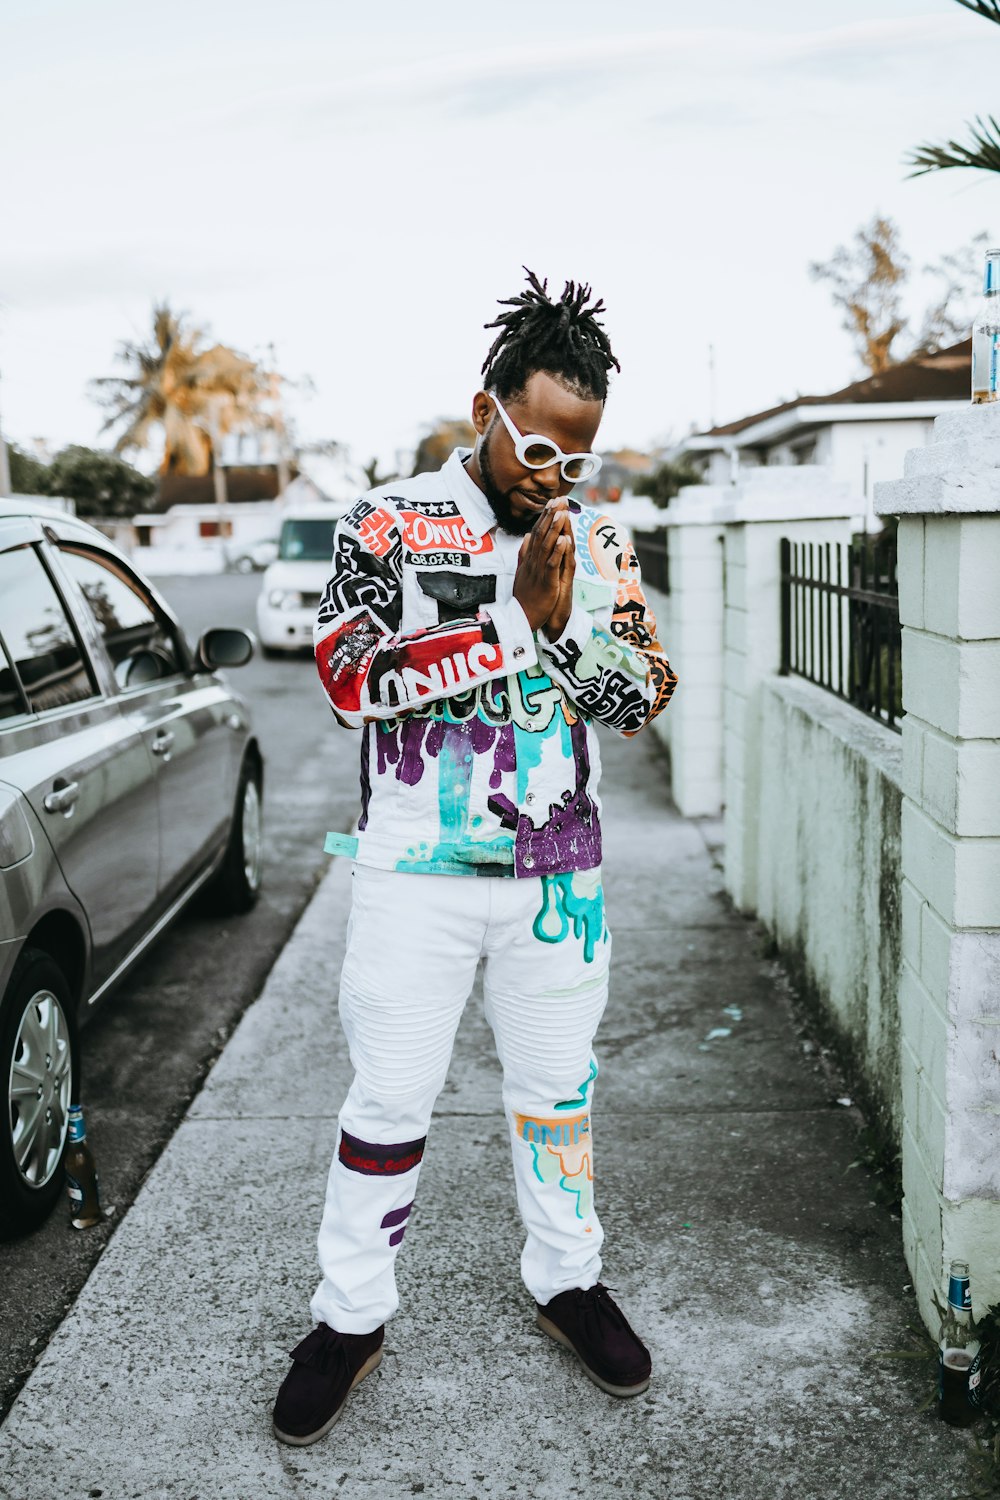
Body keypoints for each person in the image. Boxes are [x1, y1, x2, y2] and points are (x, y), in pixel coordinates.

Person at [272, 270, 678, 1446]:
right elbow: (352, 683)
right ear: (485, 409)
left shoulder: (597, 537)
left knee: (557, 1099)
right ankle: (350, 1316)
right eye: (540, 449)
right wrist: (513, 622)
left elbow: (639, 695)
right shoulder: (386, 521)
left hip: (559, 878)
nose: (557, 477)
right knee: (388, 1100)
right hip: (415, 874)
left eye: (579, 458)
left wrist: (567, 632)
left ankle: (567, 1282)